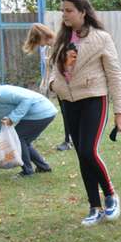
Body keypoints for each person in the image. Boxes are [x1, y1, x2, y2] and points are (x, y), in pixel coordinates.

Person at [44, 0, 121, 226]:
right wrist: (53, 84)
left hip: (93, 98)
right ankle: (94, 207)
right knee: (81, 154)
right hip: (68, 102)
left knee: (89, 151)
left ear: (83, 12)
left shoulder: (101, 38)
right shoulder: (61, 38)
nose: (64, 14)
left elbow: (115, 74)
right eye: (62, 10)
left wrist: (120, 112)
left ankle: (110, 195)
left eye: (69, 10)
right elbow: (52, 68)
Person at [22, 22, 74, 151]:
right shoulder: (48, 48)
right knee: (65, 113)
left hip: (70, 87)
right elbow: (49, 69)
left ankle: (70, 141)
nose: (39, 45)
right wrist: (45, 84)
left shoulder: (63, 45)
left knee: (70, 113)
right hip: (60, 87)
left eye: (37, 41)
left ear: (41, 37)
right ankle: (68, 140)